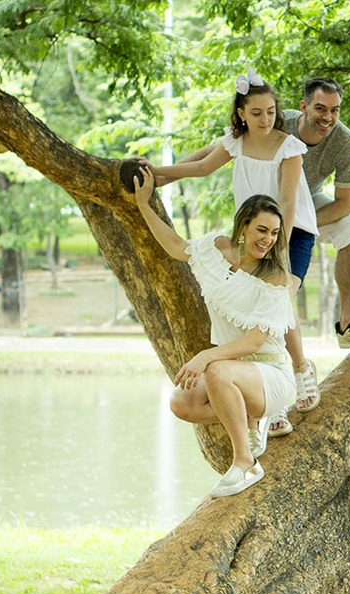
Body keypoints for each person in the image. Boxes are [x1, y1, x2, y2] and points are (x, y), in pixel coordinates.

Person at [144, 71, 322, 439]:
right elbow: (201, 166)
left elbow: (288, 200)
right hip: (253, 230)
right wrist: (157, 175)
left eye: (271, 111)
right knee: (250, 307)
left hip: (290, 232)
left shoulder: (289, 147)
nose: (265, 119)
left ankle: (300, 368)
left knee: (279, 300)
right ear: (241, 114)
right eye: (256, 112)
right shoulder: (236, 143)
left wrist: (279, 245)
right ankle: (258, 404)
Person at [128, 165, 296, 497]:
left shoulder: (274, 276)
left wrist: (204, 357)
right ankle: (249, 419)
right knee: (181, 402)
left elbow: (254, 341)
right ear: (243, 226)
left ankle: (245, 463)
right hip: (234, 371)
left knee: (218, 371)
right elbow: (176, 248)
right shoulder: (215, 250)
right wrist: (143, 205)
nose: (268, 239)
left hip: (271, 373)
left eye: (275, 233)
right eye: (262, 230)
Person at [284, 77, 350, 355]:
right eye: (321, 108)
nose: (328, 117)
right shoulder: (278, 123)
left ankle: (349, 326)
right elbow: (226, 147)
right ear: (303, 107)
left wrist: (294, 223)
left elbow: (344, 204)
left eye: (335, 110)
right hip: (265, 197)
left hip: (306, 200)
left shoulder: (345, 140)